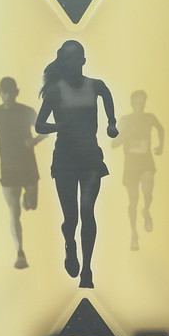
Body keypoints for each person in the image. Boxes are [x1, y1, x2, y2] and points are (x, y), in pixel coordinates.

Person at [35, 40, 117, 289]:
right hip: (65, 161)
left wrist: (111, 122)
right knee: (71, 218)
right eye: (67, 59)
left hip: (90, 157)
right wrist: (59, 126)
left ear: (83, 60)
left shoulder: (95, 85)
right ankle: (70, 245)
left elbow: (106, 94)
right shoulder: (55, 92)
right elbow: (39, 125)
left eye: (76, 57)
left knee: (87, 212)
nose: (72, 63)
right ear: (63, 62)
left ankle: (87, 270)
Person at [0, 77, 40, 270]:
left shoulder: (26, 111)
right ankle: (20, 253)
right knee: (14, 211)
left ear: (16, 92)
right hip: (8, 168)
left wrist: (35, 140)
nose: (7, 96)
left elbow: (46, 128)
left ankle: (27, 201)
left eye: (10, 92)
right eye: (4, 92)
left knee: (32, 205)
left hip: (28, 165)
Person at [111, 90, 164, 249]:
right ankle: (134, 234)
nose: (140, 104)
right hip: (131, 166)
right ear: (132, 103)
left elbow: (160, 129)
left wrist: (161, 146)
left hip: (146, 162)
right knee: (133, 201)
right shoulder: (125, 120)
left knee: (147, 192)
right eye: (137, 101)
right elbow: (114, 143)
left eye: (142, 101)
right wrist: (126, 134)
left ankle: (146, 210)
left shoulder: (149, 117)